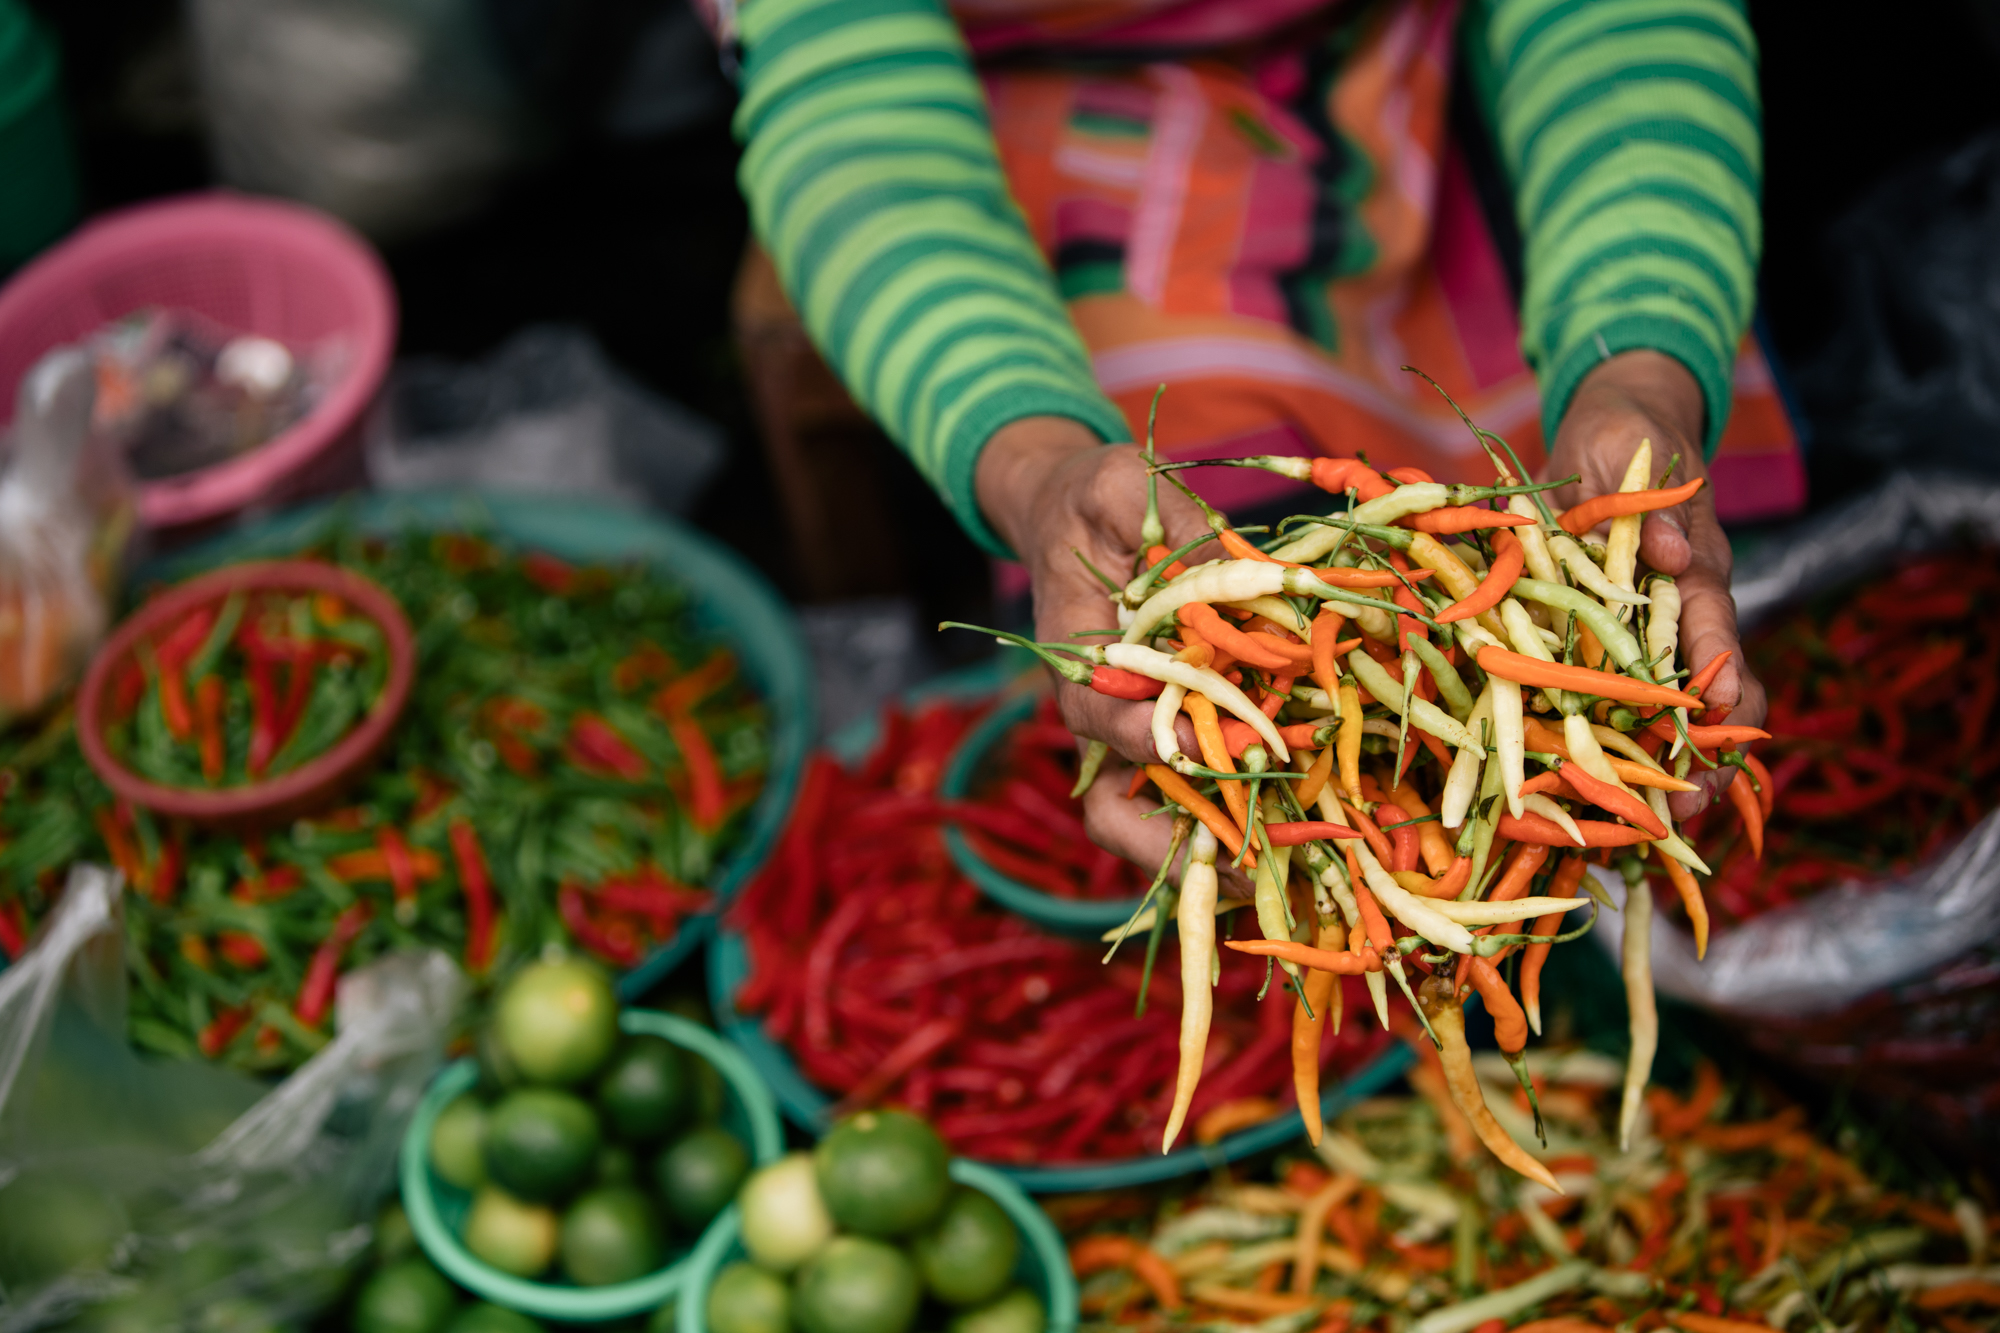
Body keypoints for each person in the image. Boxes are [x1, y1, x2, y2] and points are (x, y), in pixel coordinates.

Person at [717, 0, 1780, 879]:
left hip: (1425, 51)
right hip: (1011, 111)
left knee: (1600, 543)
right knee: (1188, 572)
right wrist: (1035, 469)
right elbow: (844, 94)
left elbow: (1619, 24)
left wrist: (1634, 371)